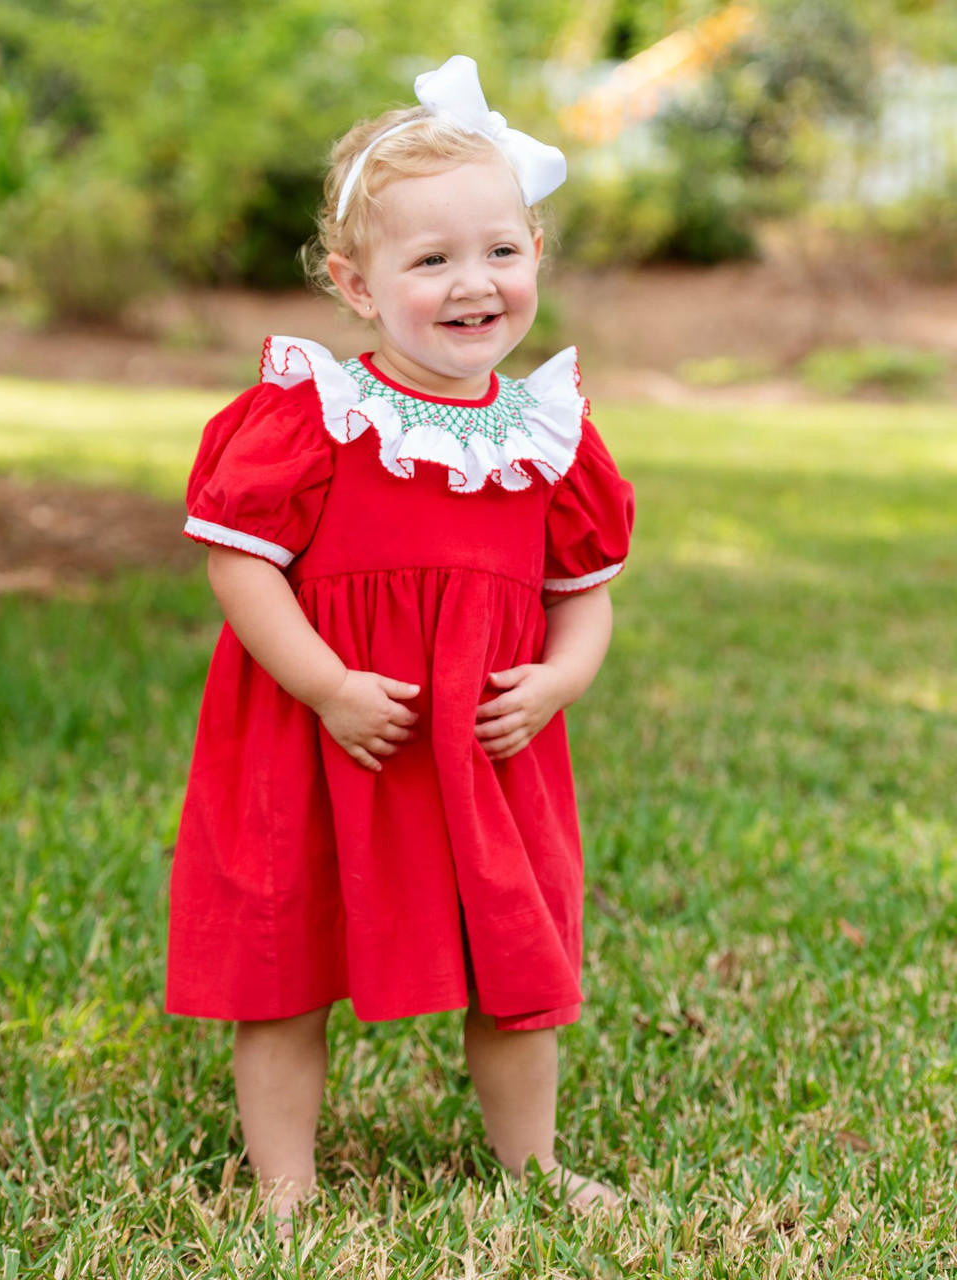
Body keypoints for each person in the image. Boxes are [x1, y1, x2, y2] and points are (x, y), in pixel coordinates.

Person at [165, 54, 635, 1227]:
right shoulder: (312, 415)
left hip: (483, 743)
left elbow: (582, 589)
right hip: (331, 734)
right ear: (357, 284)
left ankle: (532, 1161)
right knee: (286, 960)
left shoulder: (547, 433)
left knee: (516, 964)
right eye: (431, 259)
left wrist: (560, 678)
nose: (473, 283)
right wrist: (324, 684)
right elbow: (242, 563)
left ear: (535, 257)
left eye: (500, 251)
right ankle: (284, 1180)